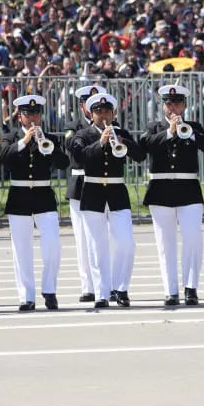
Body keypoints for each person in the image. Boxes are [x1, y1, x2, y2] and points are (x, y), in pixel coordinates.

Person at [140, 84, 204, 306]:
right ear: (163, 105)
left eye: (176, 103)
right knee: (165, 244)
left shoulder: (193, 126)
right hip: (160, 190)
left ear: (184, 105)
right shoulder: (154, 127)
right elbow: (145, 146)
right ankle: (170, 290)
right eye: (168, 103)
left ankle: (191, 287)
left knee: (193, 239)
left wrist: (190, 133)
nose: (172, 107)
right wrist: (169, 132)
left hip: (188, 189)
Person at [68, 91, 144, 309]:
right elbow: (78, 157)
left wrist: (123, 141)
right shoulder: (83, 134)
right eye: (98, 111)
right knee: (96, 245)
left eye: (107, 111)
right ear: (91, 114)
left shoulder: (121, 132)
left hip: (117, 191)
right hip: (92, 192)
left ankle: (121, 287)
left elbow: (140, 155)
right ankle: (101, 292)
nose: (103, 115)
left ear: (113, 113)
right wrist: (100, 143)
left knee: (126, 242)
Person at [0, 94, 70, 310]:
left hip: (43, 196)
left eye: (36, 114)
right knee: (21, 249)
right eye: (28, 114)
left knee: (52, 244)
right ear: (20, 117)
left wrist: (46, 146)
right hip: (19, 196)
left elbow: (63, 163)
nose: (33, 118)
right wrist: (24, 141)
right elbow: (2, 158)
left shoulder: (50, 138)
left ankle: (49, 290)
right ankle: (26, 296)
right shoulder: (11, 137)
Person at [66, 84, 102, 302]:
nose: (95, 108)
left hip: (104, 184)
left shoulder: (110, 124)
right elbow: (71, 147)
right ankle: (88, 286)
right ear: (82, 106)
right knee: (82, 238)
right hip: (80, 183)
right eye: (90, 104)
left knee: (104, 238)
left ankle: (106, 284)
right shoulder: (74, 126)